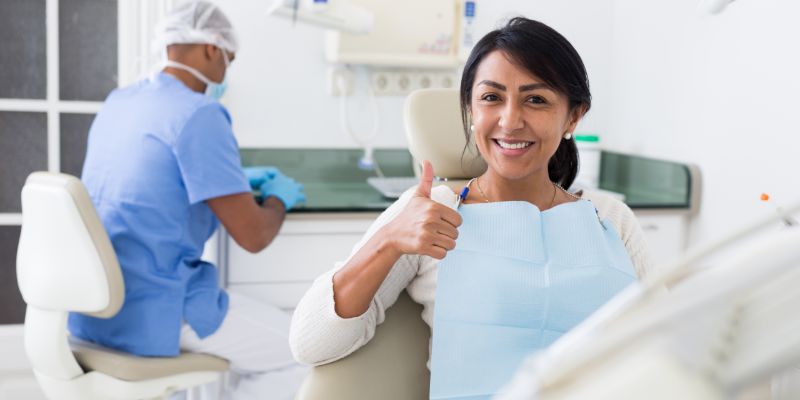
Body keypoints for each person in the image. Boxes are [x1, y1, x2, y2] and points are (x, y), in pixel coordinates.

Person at [289, 17, 654, 397]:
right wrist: (387, 242)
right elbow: (311, 343)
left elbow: (667, 341)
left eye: (536, 100)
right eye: (491, 97)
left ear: (573, 116)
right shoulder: (432, 212)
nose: (510, 120)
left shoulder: (610, 219)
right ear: (470, 109)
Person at [68, 2, 307, 398]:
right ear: (212, 49)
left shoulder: (120, 102)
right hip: (154, 306)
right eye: (229, 59)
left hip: (93, 309)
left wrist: (231, 181)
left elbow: (143, 180)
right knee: (304, 350)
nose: (226, 71)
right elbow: (254, 236)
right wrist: (279, 200)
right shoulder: (200, 113)